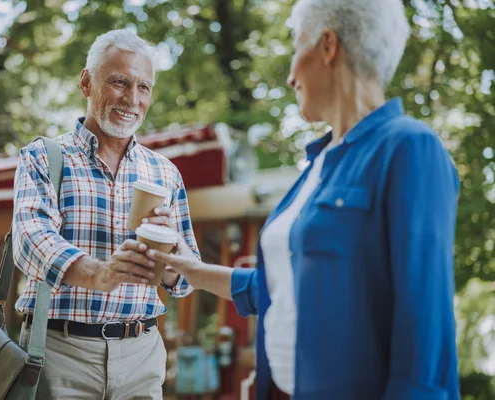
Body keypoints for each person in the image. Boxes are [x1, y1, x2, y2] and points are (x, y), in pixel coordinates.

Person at [148, 0, 461, 399]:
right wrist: (189, 268)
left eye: (297, 48)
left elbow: (425, 333)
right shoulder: (316, 167)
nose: (291, 76)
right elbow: (284, 288)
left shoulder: (409, 147)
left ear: (328, 46)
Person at [12, 29, 199, 399]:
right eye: (119, 82)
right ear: (86, 82)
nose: (132, 99)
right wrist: (99, 273)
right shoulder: (45, 157)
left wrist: (172, 250)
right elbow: (30, 241)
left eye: (143, 87)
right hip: (58, 352)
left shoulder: (164, 173)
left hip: (141, 353)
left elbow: (185, 278)